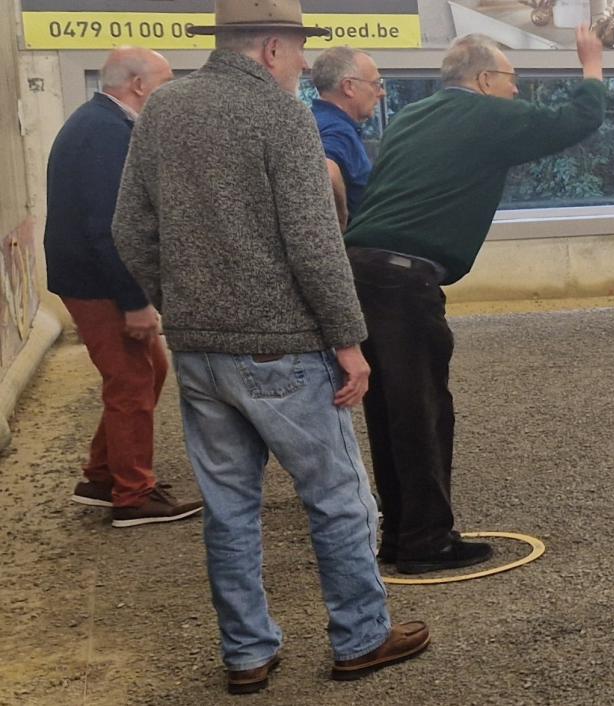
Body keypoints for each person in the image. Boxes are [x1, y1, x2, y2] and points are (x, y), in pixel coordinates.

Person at [112, 0, 428, 694]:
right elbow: (315, 245)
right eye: (300, 54)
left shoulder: (163, 108)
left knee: (228, 507)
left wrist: (184, 305)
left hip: (198, 350)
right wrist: (350, 342)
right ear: (272, 49)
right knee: (339, 498)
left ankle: (246, 653)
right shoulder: (281, 116)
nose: (305, 70)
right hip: (280, 348)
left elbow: (129, 226)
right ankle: (360, 637)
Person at [343, 29, 606, 575]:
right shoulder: (485, 115)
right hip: (404, 280)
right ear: (485, 80)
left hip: (360, 269)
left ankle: (399, 533)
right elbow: (576, 121)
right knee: (424, 410)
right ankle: (426, 541)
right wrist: (591, 66)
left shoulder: (412, 117)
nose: (515, 92)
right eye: (512, 81)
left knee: (389, 409)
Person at [44, 47, 204, 528]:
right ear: (137, 85)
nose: (170, 88)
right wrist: (135, 303)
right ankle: (133, 496)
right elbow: (107, 227)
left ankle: (101, 476)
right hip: (98, 283)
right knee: (133, 379)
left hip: (90, 278)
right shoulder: (105, 134)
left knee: (147, 369)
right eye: (165, 79)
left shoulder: (101, 124)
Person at [310, 47, 385, 231]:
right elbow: (327, 170)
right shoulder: (338, 130)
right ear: (348, 87)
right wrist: (342, 224)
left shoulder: (313, 120)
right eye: (376, 84)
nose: (382, 93)